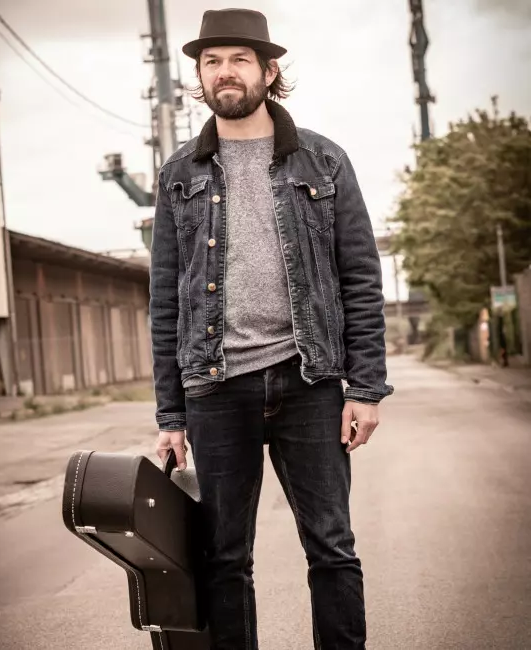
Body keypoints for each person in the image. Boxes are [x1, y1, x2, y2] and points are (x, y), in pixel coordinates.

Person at [150, 8, 393, 649]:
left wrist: (364, 389)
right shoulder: (179, 175)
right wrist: (169, 414)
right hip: (215, 385)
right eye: (210, 61)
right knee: (226, 559)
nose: (224, 73)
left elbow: (360, 278)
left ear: (268, 69)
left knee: (332, 548)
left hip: (308, 380)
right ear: (199, 77)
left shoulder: (323, 161)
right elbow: (165, 302)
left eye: (237, 59)